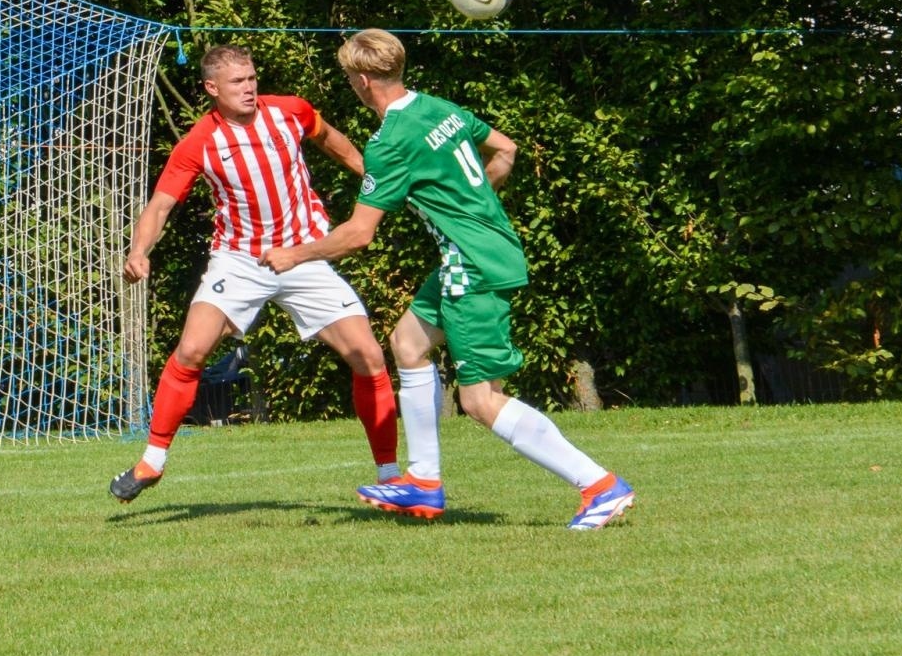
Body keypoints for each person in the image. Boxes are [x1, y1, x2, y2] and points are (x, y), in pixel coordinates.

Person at [260, 29, 635, 529]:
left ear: (362, 80)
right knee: (407, 343)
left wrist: (295, 254)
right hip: (479, 253)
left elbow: (359, 234)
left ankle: (599, 485)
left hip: (472, 267)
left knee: (480, 400)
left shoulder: (390, 141)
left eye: (349, 78)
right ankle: (423, 481)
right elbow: (505, 150)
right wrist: (474, 208)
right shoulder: (439, 108)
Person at [109, 44, 399, 502]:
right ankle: (152, 461)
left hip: (303, 254)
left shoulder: (290, 111)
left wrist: (373, 176)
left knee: (369, 356)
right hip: (240, 261)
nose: (248, 88)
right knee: (192, 349)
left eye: (251, 78)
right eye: (237, 82)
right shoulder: (200, 141)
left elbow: (331, 139)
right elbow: (160, 205)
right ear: (212, 88)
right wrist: (139, 250)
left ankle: (390, 477)